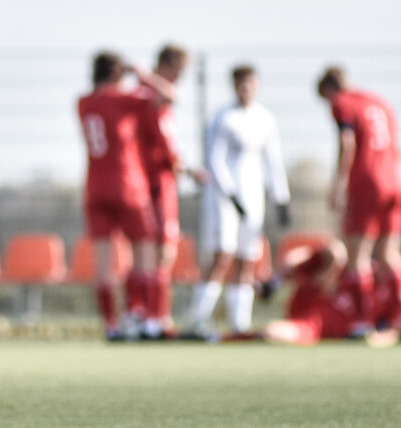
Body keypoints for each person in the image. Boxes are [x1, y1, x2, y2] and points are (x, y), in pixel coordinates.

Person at [187, 65, 291, 339]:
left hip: (253, 196)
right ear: (234, 86)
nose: (246, 89)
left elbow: (273, 160)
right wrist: (231, 194)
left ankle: (239, 325)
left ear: (257, 85)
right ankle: (198, 319)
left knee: (247, 259)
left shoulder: (265, 119)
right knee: (222, 255)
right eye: (241, 84)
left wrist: (282, 198)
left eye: (250, 83)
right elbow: (215, 159)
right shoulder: (223, 118)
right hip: (224, 198)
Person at [77, 51, 170, 340]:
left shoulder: (83, 102)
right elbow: (169, 96)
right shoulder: (125, 99)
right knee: (145, 255)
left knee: (104, 265)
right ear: (119, 74)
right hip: (129, 186)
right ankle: (151, 321)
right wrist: (143, 73)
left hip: (95, 188)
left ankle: (112, 326)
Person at [316, 66, 401, 336]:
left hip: (366, 184)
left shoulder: (342, 102)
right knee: (389, 255)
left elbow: (347, 143)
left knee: (358, 256)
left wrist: (338, 185)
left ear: (329, 90)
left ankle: (363, 321)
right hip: (394, 181)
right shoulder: (380, 101)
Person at [134, 44, 207, 338]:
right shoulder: (153, 96)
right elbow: (164, 147)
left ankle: (145, 316)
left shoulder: (144, 94)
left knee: (148, 252)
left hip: (149, 180)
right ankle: (155, 318)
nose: (181, 78)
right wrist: (181, 167)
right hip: (156, 182)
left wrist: (187, 169)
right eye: (179, 71)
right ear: (167, 66)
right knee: (162, 251)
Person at [260, 238, 400, 346]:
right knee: (336, 251)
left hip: (325, 323)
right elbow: (297, 258)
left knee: (272, 332)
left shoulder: (393, 290)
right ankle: (275, 280)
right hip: (316, 299)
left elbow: (395, 331)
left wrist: (372, 338)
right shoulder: (355, 268)